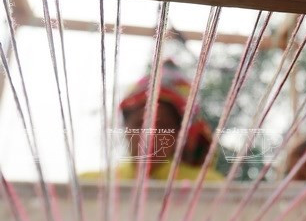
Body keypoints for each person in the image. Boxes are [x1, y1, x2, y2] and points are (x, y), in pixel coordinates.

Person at [82, 59, 223, 181]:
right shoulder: (90, 184)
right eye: (140, 125)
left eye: (162, 126)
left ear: (178, 135)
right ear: (125, 128)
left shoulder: (209, 187)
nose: (150, 134)